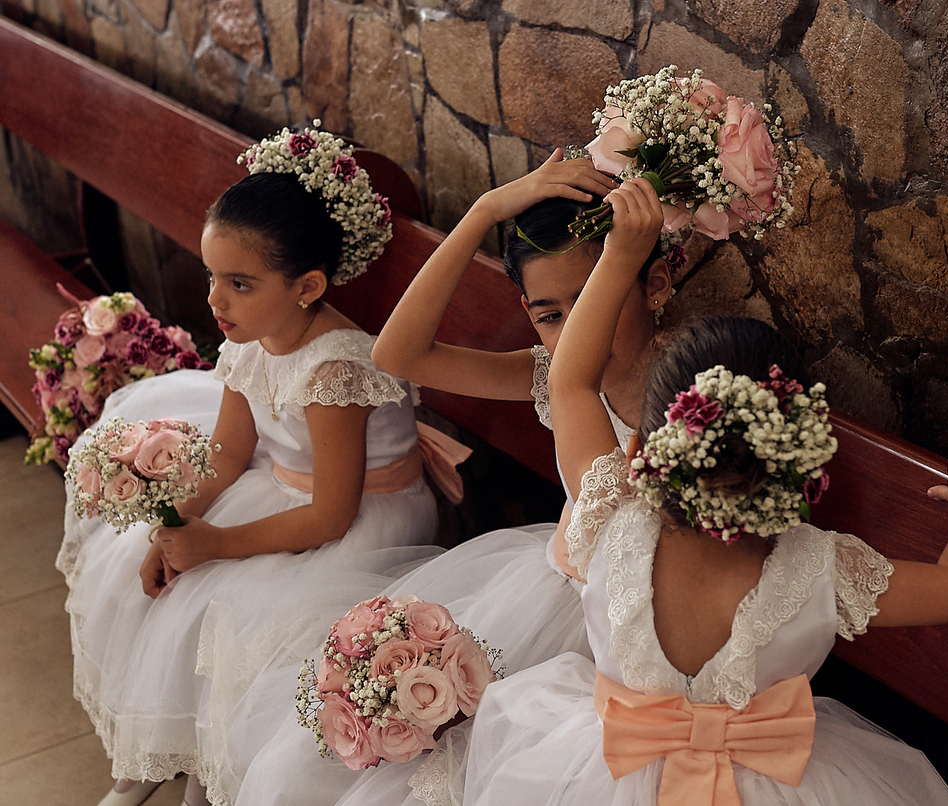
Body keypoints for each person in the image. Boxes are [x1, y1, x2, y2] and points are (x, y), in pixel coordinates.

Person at [450, 178, 948, 805]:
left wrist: (621, 254)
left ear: (638, 452)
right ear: (798, 459)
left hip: (599, 772)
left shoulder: (607, 520)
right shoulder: (819, 570)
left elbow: (570, 384)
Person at [198, 151, 678, 806]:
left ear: (654, 283)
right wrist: (486, 210)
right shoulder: (548, 373)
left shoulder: (685, 389)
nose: (573, 333)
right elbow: (397, 354)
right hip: (543, 588)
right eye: (550, 314)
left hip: (627, 628)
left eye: (597, 299)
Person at [57, 126, 451, 806]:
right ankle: (152, 763)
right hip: (281, 487)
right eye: (212, 276)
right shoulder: (248, 338)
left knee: (247, 621)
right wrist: (176, 527)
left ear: (308, 286)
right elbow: (230, 452)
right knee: (164, 585)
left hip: (359, 516)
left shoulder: (335, 370)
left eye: (239, 283)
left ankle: (213, 780)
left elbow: (331, 515)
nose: (216, 300)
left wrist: (215, 544)